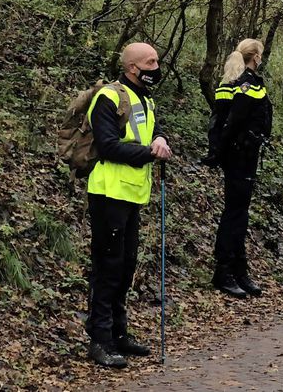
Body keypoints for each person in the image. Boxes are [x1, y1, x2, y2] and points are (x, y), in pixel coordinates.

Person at [85, 42, 171, 369]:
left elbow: (152, 131)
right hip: (108, 194)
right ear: (133, 67)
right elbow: (107, 146)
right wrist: (149, 152)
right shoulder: (108, 98)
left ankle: (119, 334)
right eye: (151, 62)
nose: (157, 67)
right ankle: (100, 339)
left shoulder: (145, 99)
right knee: (108, 267)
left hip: (133, 195)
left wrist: (160, 140)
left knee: (126, 265)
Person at [212, 39, 272, 299]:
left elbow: (219, 121)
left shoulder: (229, 82)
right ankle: (225, 271)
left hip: (237, 156)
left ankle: (238, 269)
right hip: (241, 156)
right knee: (235, 215)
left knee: (239, 214)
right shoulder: (248, 84)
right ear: (255, 56)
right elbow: (232, 122)